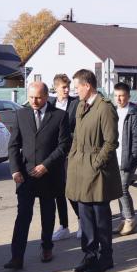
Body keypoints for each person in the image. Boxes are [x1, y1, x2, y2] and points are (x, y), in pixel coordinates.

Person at [4, 82, 71, 269]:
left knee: (47, 214)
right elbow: (13, 145)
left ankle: (47, 247)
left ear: (47, 96)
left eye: (39, 98)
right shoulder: (21, 114)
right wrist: (15, 170)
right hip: (25, 176)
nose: (34, 101)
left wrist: (46, 165)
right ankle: (16, 256)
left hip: (49, 175)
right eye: (31, 97)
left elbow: (64, 146)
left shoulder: (59, 116)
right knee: (23, 216)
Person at [65, 69, 122, 272]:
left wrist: (96, 163)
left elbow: (111, 141)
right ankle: (89, 255)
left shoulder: (104, 108)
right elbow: (77, 137)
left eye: (77, 87)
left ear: (87, 86)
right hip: (80, 168)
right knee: (85, 216)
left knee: (100, 217)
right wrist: (72, 158)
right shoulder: (81, 105)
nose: (75, 91)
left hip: (96, 171)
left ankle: (106, 257)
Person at [50, 73, 81, 242]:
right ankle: (64, 226)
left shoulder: (76, 103)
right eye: (64, 87)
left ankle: (82, 221)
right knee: (58, 191)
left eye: (68, 86)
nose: (67, 90)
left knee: (71, 189)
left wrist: (66, 138)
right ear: (56, 88)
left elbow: (79, 128)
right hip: (54, 154)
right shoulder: (50, 105)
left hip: (70, 153)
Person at [113, 82, 137, 236]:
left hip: (127, 158)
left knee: (122, 189)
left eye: (122, 96)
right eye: (116, 96)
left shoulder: (133, 113)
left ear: (128, 96)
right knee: (118, 189)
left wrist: (132, 158)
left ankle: (130, 219)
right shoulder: (113, 111)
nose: (119, 99)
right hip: (115, 157)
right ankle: (124, 219)